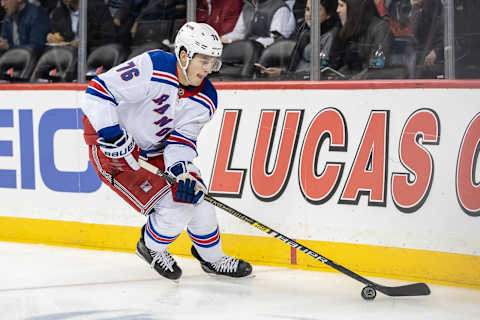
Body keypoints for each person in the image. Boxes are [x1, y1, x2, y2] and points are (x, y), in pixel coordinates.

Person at [80, 22, 253, 281]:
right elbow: (97, 92)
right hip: (114, 152)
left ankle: (213, 259)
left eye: (213, 62)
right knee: (176, 209)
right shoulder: (154, 65)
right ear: (183, 55)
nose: (208, 69)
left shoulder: (206, 97)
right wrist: (111, 132)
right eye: (203, 60)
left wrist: (181, 171)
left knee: (197, 198)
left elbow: (181, 140)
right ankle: (151, 247)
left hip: (157, 152)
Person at [256, 0, 341, 78]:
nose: (309, 15)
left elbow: (323, 73)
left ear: (328, 15)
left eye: (316, 10)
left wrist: (283, 74)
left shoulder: (332, 37)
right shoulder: (305, 33)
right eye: (307, 9)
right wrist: (280, 72)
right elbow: (294, 68)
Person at [329, 0, 393, 79]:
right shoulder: (349, 29)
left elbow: (376, 68)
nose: (337, 10)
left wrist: (349, 81)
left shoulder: (381, 29)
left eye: (341, 5)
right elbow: (340, 65)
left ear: (354, 8)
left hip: (370, 88)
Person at [221, 0, 296, 48]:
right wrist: (223, 40)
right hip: (245, 52)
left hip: (265, 57)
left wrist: (247, 42)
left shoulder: (280, 9)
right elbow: (239, 33)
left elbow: (276, 41)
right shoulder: (249, 6)